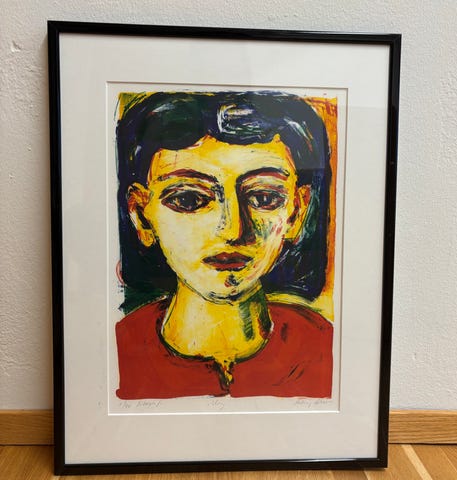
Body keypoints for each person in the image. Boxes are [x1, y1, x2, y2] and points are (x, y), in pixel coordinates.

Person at [115, 91, 334, 399]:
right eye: (188, 199)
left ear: (297, 212)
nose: (232, 230)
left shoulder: (326, 347)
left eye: (264, 197)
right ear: (141, 216)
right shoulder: (114, 352)